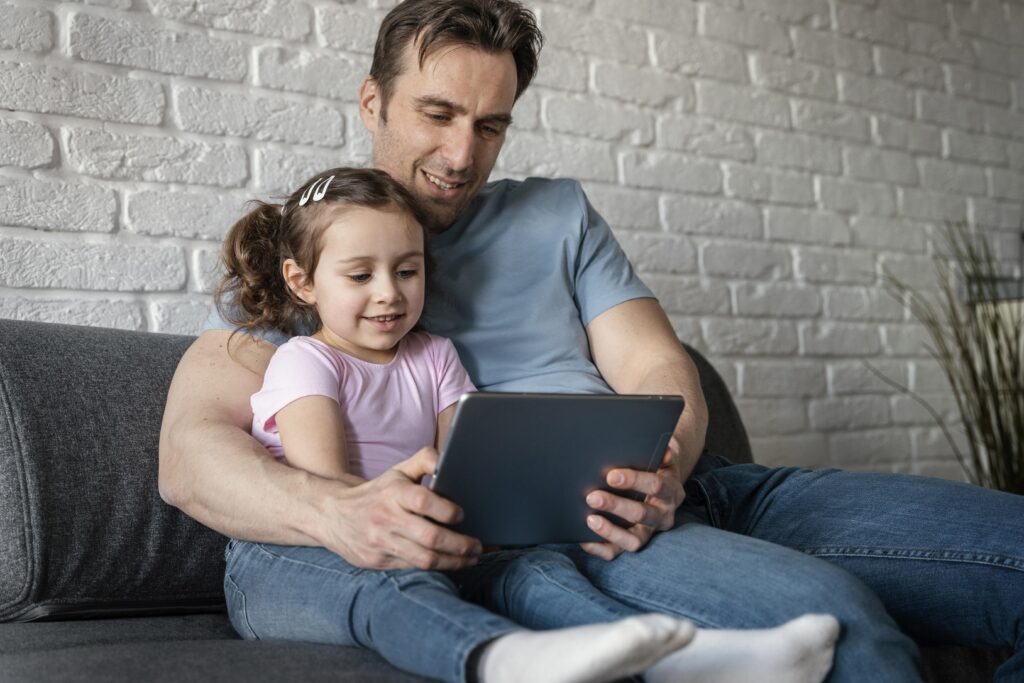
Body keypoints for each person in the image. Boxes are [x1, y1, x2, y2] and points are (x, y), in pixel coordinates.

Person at [159, 1, 1024, 681]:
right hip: (575, 533)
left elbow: (653, 364)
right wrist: (334, 508)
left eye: (491, 124)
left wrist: (673, 467)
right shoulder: (320, 248)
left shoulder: (559, 212)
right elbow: (189, 452)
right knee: (839, 621)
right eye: (437, 113)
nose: (463, 152)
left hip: (695, 485)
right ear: (372, 100)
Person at [211, 165, 840, 683]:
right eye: (360, 276)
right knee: (393, 584)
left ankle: (679, 658)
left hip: (413, 536)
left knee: (532, 569)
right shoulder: (304, 361)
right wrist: (410, 512)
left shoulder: (434, 355)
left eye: (407, 271)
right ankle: (500, 659)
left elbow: (463, 469)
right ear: (303, 282)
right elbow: (333, 494)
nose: (389, 294)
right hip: (300, 554)